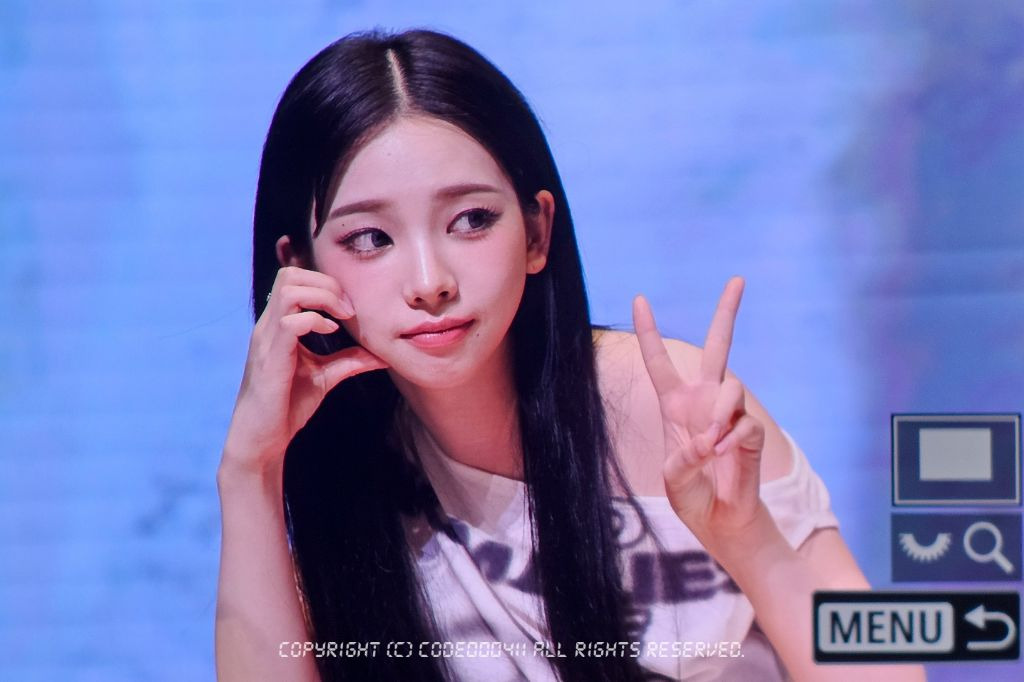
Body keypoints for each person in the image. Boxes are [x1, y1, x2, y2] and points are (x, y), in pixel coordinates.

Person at [215, 29, 925, 682]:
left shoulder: (666, 407)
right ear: (298, 269)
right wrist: (248, 472)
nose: (430, 281)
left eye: (470, 220)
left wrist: (751, 542)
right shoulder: (343, 486)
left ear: (536, 233)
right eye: (371, 238)